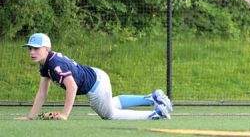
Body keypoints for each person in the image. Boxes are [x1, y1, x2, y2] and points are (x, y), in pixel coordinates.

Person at [19, 33, 173, 120]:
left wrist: (65, 114)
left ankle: (155, 114)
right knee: (111, 104)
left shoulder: (54, 64)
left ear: (47, 49)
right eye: (30, 49)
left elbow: (72, 87)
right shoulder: (46, 64)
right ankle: (152, 98)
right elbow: (42, 93)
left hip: (95, 86)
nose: (32, 52)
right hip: (98, 75)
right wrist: (30, 117)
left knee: (110, 115)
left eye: (36, 49)